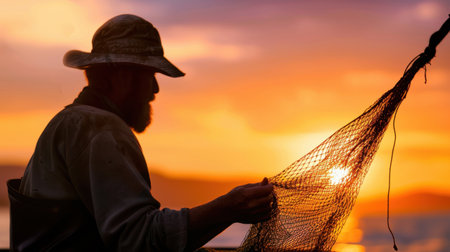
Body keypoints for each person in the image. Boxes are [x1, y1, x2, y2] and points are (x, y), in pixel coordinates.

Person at [8, 14, 274, 251]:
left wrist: (228, 212)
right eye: (151, 75)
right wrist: (228, 207)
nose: (156, 90)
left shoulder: (66, 122)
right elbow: (138, 240)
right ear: (123, 76)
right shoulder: (99, 127)